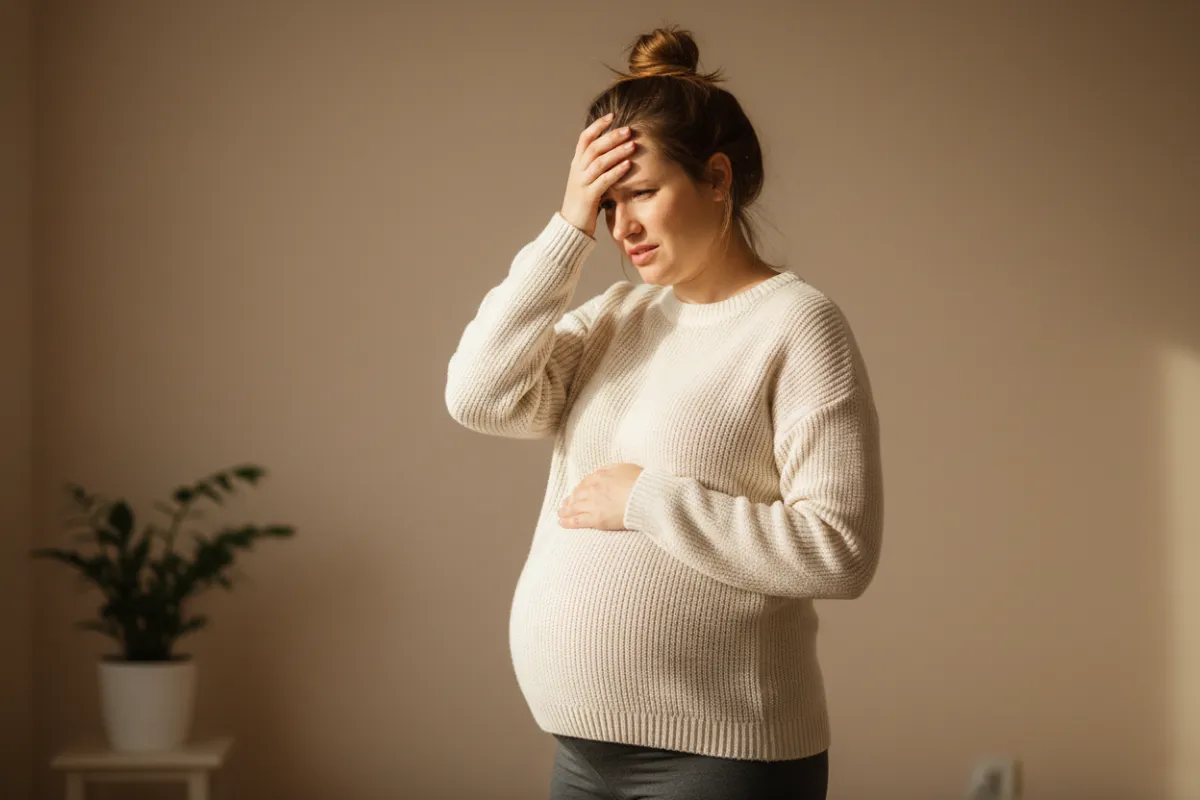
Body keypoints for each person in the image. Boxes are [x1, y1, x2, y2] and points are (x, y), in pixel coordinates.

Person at [445, 24, 883, 800]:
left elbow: (838, 550)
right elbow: (478, 396)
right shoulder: (617, 316)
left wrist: (647, 501)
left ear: (717, 178)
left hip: (722, 760)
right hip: (581, 758)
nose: (624, 228)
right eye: (608, 205)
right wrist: (564, 228)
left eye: (641, 193)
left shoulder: (797, 324)